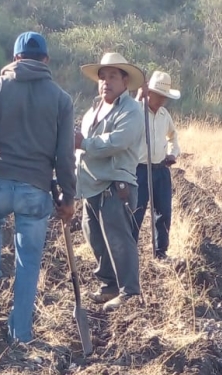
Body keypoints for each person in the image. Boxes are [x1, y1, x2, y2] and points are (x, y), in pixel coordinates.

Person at [0, 31, 77, 346]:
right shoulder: (61, 99)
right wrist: (67, 197)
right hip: (36, 189)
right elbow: (65, 155)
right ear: (46, 60)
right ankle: (21, 335)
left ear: (16, 58)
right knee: (27, 262)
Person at [75, 52, 146, 311]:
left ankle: (130, 292)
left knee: (118, 238)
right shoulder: (93, 110)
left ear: (125, 82)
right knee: (93, 235)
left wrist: (84, 143)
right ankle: (109, 285)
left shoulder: (132, 111)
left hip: (116, 185)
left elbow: (117, 142)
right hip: (90, 184)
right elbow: (80, 151)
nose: (106, 81)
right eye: (102, 77)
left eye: (113, 76)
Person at [134, 71, 182, 261]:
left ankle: (161, 252)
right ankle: (130, 253)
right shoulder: (136, 110)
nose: (162, 100)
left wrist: (173, 153)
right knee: (136, 212)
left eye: (165, 97)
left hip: (160, 169)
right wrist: (139, 97)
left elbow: (173, 136)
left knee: (163, 212)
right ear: (149, 93)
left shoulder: (164, 114)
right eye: (159, 95)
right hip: (139, 170)